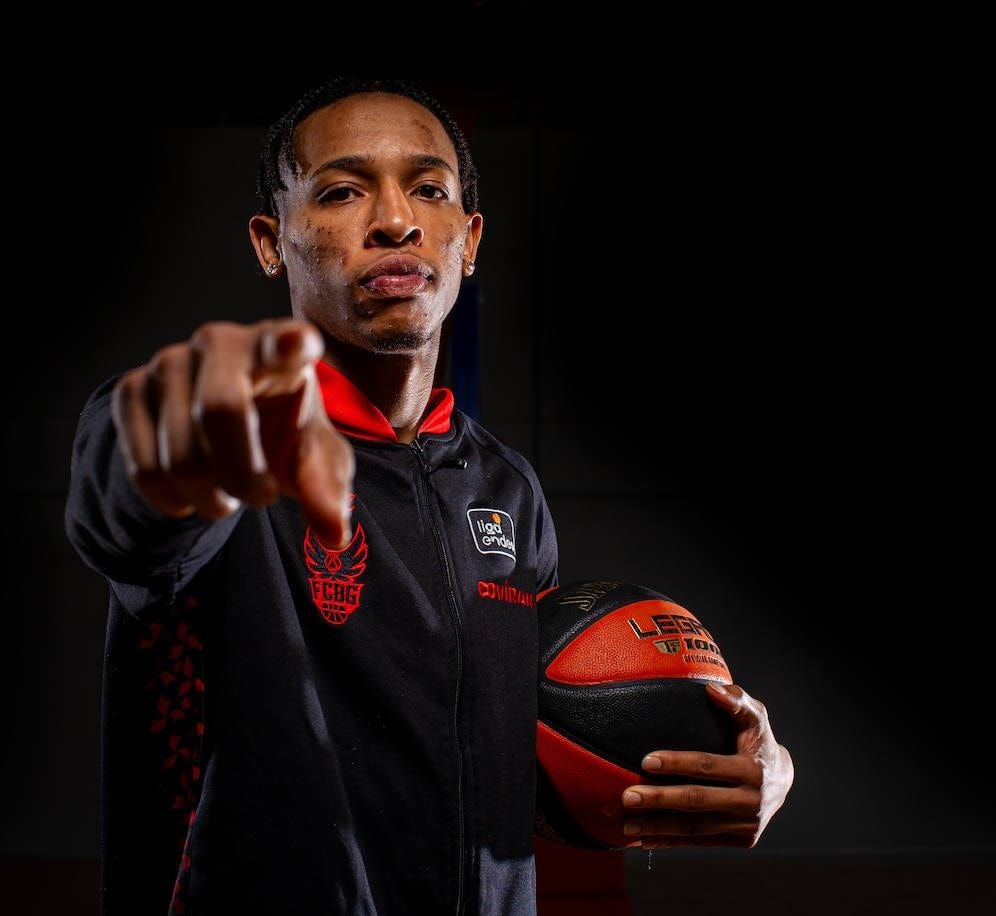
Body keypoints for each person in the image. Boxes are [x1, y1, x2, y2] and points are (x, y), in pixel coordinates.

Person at [65, 75, 794, 916]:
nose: (395, 220)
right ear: (272, 243)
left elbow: (502, 768)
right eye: (341, 191)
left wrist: (716, 751)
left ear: (468, 239)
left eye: (429, 189)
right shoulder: (228, 445)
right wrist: (164, 436)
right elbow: (127, 509)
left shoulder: (507, 489)